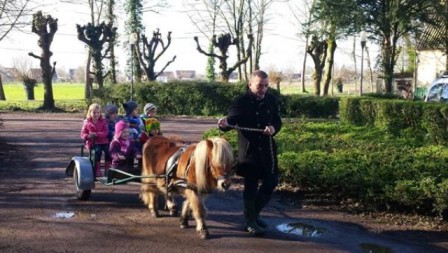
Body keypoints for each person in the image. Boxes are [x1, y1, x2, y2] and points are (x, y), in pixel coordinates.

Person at [217, 70, 282, 236]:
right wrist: (224, 124)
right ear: (250, 84)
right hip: (249, 153)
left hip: (267, 149)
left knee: (272, 181)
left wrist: (274, 128)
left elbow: (277, 120)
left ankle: (254, 215)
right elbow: (231, 120)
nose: (263, 89)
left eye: (266, 86)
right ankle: (249, 222)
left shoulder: (271, 100)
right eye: (260, 85)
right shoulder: (241, 102)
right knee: (251, 187)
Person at [80, 103, 111, 177]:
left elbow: (106, 132)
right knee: (98, 151)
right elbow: (83, 134)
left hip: (103, 141)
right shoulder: (87, 122)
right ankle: (97, 169)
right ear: (90, 112)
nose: (96, 114)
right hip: (92, 142)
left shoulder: (103, 121)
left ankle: (108, 168)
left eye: (98, 112)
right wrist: (88, 136)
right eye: (94, 112)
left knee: (109, 150)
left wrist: (97, 134)